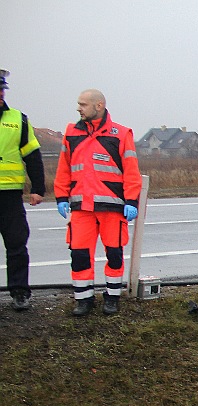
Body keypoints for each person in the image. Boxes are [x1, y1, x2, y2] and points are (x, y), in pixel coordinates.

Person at [54, 89, 142, 316]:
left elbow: (131, 172)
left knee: (114, 254)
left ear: (99, 105)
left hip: (112, 207)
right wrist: (61, 196)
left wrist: (132, 200)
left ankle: (112, 297)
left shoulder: (121, 134)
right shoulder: (71, 133)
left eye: (83, 104)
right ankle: (83, 299)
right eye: (78, 104)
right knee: (80, 255)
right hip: (82, 207)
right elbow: (64, 167)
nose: (78, 108)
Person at [0, 69, 45, 311]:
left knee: (17, 244)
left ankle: (19, 292)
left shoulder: (18, 119)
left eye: (1, 89)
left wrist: (38, 188)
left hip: (9, 195)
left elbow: (33, 156)